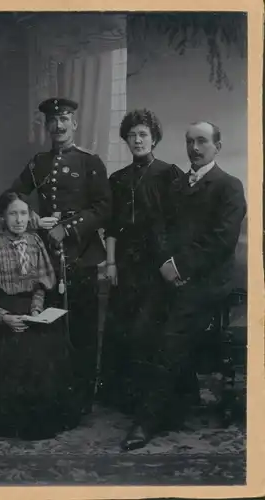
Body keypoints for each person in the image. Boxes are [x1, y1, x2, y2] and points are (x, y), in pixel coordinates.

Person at [121, 121, 247, 450]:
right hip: (172, 276)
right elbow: (160, 228)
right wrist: (166, 265)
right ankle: (177, 402)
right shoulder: (176, 185)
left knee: (172, 335)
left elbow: (221, 241)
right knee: (142, 326)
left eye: (202, 141)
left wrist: (179, 267)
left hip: (207, 281)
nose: (195, 148)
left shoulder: (229, 186)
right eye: (190, 141)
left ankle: (147, 421)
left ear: (217, 146)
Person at [3, 98, 111, 415]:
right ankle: (56, 394)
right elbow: (11, 197)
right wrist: (34, 219)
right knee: (50, 326)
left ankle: (83, 398)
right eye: (53, 121)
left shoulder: (91, 162)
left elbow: (104, 208)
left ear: (74, 124)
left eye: (64, 120)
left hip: (81, 256)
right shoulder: (38, 163)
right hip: (47, 257)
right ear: (47, 126)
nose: (59, 126)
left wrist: (69, 229)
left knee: (82, 327)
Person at [0, 191, 80, 440]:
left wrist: (36, 310)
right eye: (13, 213)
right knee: (19, 353)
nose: (19, 219)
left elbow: (39, 286)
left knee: (50, 346)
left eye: (24, 213)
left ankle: (45, 418)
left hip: (30, 311)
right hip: (0, 312)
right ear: (4, 216)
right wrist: (2, 316)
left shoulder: (35, 241)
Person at [99, 108, 183, 420]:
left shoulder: (169, 174)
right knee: (124, 328)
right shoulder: (117, 179)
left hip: (158, 263)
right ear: (126, 139)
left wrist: (172, 262)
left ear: (154, 138)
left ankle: (155, 399)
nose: (137, 140)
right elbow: (111, 227)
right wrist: (110, 263)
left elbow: (179, 224)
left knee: (151, 329)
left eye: (143, 134)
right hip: (125, 263)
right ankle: (126, 398)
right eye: (132, 135)